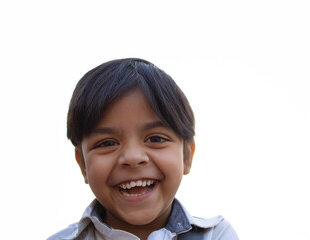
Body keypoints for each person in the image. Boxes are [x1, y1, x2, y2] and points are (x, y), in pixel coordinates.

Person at [47, 58, 239, 240]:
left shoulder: (215, 236)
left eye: (155, 138)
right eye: (107, 143)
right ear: (83, 165)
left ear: (187, 156)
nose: (132, 157)